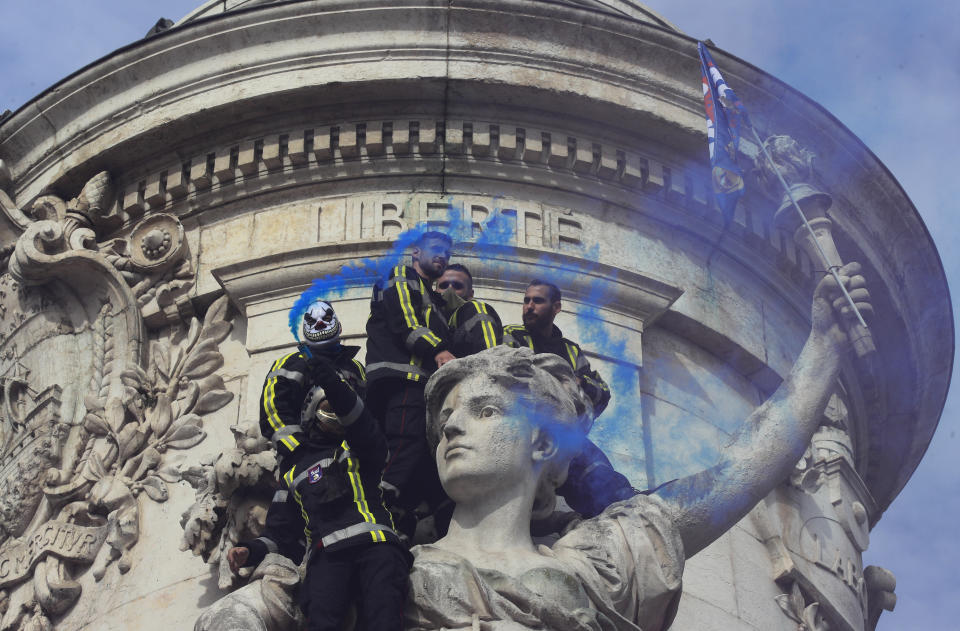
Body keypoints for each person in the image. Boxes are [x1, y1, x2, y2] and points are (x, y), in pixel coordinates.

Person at [404, 263, 871, 631]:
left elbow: (733, 476)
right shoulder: (390, 569)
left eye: (484, 411)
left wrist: (824, 347)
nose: (452, 429)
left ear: (544, 440)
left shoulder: (602, 566)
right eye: (446, 418)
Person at [229, 298, 409, 631]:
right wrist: (250, 551)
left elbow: (362, 420)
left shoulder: (361, 449)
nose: (336, 414)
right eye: (327, 410)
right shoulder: (295, 473)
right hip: (328, 554)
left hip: (377, 547)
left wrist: (331, 379)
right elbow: (280, 534)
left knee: (384, 618)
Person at [504, 279, 632, 517]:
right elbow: (510, 378)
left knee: (595, 465)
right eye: (526, 300)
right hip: (524, 427)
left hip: (564, 431)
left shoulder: (571, 350)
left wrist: (580, 383)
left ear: (556, 307)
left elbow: (602, 393)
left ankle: (620, 509)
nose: (529, 306)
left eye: (538, 301)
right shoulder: (511, 336)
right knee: (584, 457)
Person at [365, 231, 455, 539]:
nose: (442, 255)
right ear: (415, 252)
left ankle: (403, 515)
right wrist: (438, 351)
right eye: (435, 248)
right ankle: (376, 504)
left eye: (447, 251)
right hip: (402, 378)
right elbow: (404, 320)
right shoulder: (401, 276)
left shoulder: (434, 297)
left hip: (419, 383)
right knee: (407, 442)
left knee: (422, 456)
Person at [436, 263, 503, 357]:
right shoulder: (431, 321)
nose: (449, 289)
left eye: (457, 286)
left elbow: (489, 356)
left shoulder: (476, 309)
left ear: (471, 294)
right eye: (444, 285)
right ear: (435, 291)